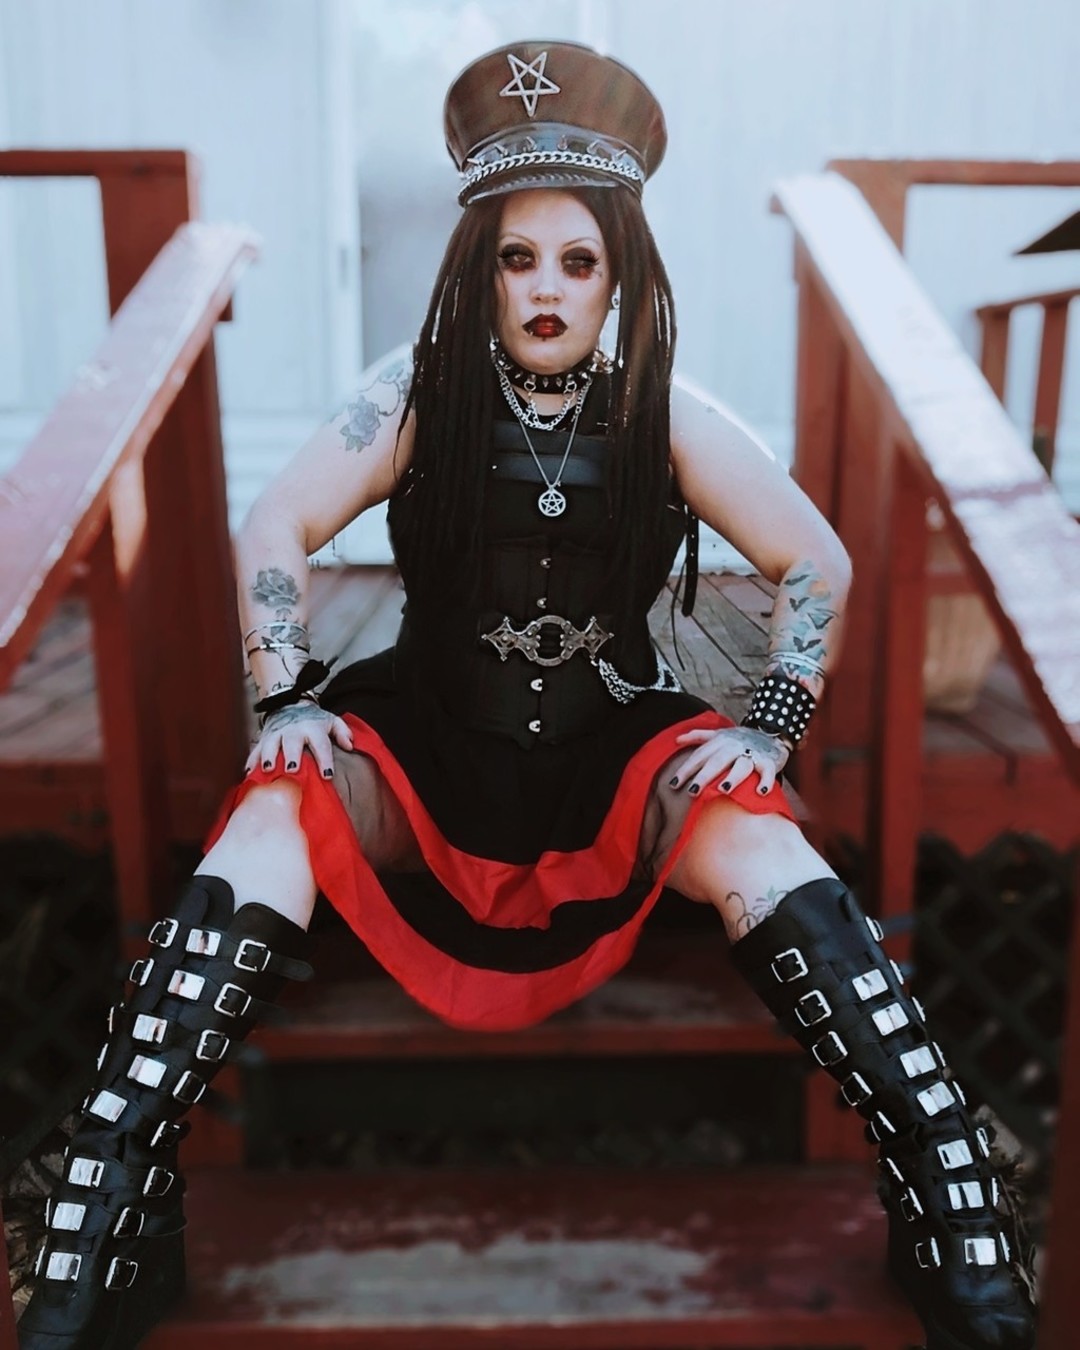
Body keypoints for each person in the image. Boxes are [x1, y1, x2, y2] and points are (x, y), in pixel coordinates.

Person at [18, 38, 1035, 1350]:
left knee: (766, 849)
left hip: (607, 751)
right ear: (479, 267)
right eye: (518, 257)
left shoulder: (664, 408)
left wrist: (773, 725)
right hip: (430, 739)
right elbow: (276, 525)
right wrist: (286, 703)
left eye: (578, 260)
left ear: (620, 274)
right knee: (272, 811)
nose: (547, 286)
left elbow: (815, 560)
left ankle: (948, 1204)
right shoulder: (414, 394)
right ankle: (109, 1216)